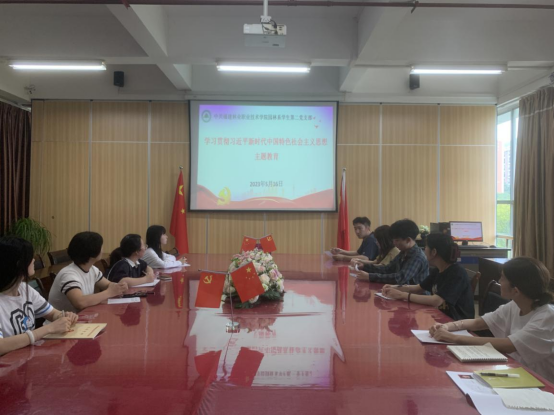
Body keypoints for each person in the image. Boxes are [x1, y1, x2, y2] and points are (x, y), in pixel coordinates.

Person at [429, 257, 554, 383]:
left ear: (515, 290)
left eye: (503, 278)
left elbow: (509, 345)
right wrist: (447, 326)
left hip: (541, 382)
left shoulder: (547, 317)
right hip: (517, 372)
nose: (499, 281)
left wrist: (453, 338)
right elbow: (479, 323)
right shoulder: (515, 305)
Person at [0, 237, 78, 356]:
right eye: (30, 257)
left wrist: (63, 316)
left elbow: (52, 313)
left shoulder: (25, 289)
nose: (33, 260)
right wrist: (49, 329)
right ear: (18, 264)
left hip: (26, 358)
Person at [381, 233, 475, 321]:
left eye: (426, 247)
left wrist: (401, 295)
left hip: (456, 322)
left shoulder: (456, 273)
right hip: (440, 318)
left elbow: (436, 301)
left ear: (434, 252)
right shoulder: (438, 270)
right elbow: (418, 288)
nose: (424, 250)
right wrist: (394, 287)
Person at [49, 232, 128, 313]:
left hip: (82, 316)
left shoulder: (92, 269)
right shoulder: (69, 275)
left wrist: (118, 286)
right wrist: (109, 292)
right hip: (62, 320)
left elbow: (107, 285)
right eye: (101, 247)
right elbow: (80, 302)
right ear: (92, 253)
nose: (102, 250)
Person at [351, 219, 428, 285]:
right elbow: (387, 269)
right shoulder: (403, 252)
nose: (394, 243)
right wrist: (364, 266)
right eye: (393, 240)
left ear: (408, 240)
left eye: (397, 240)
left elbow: (400, 277)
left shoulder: (417, 256)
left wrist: (370, 276)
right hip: (400, 292)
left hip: (415, 296)